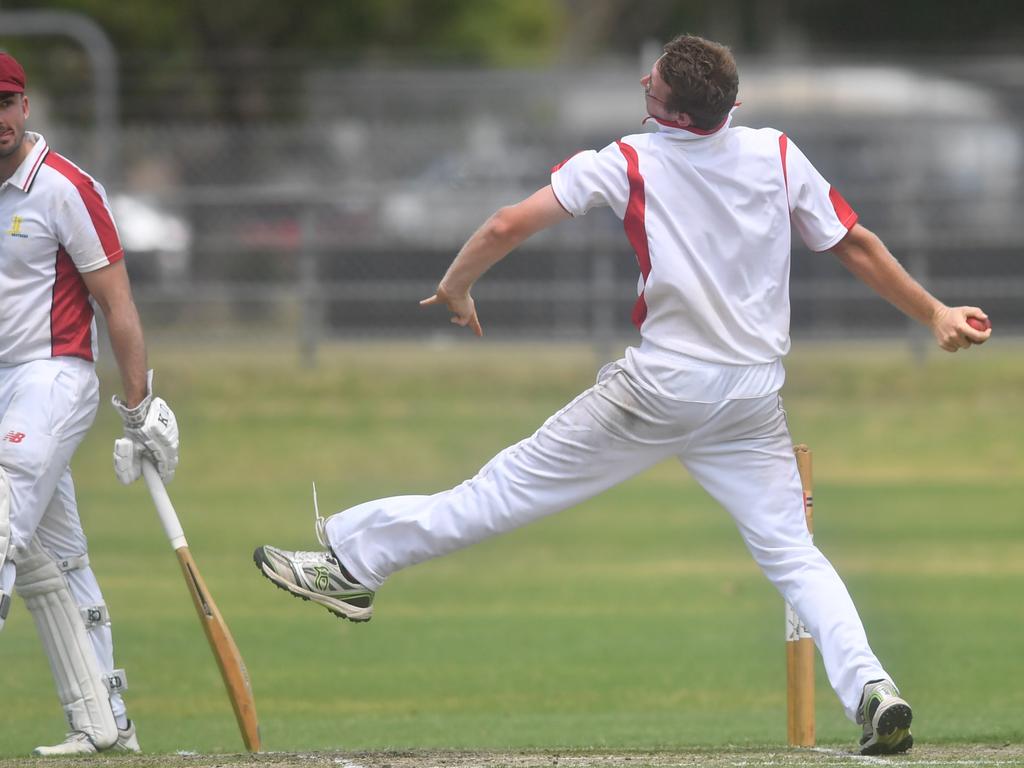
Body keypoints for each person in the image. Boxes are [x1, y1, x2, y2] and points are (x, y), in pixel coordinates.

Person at [254, 35, 992, 755]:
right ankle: (872, 688)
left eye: (655, 84)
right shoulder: (775, 152)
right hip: (749, 400)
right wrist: (935, 312)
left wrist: (456, 285)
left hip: (659, 389)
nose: (645, 82)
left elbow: (510, 221)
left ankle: (354, 567)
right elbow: (853, 242)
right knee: (795, 558)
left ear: (672, 114)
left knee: (499, 492)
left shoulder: (630, 160)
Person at [0, 52, 179, 756]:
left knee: (3, 507)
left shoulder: (65, 187)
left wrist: (138, 408)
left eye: (6, 102)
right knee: (53, 559)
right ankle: (103, 719)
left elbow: (117, 303)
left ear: (25, 106)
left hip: (55, 373)